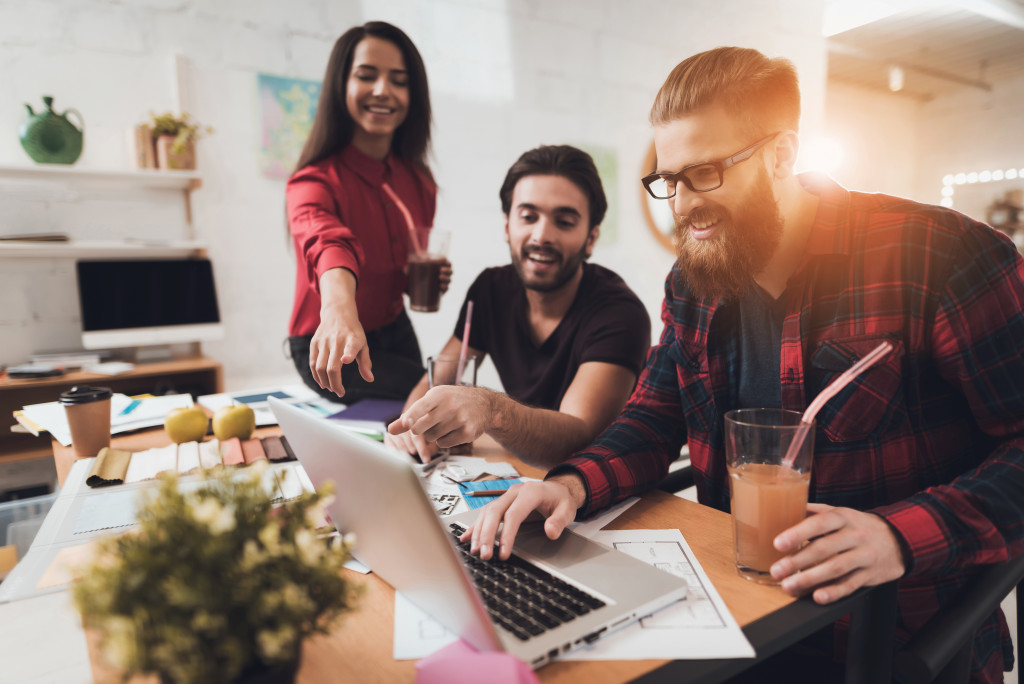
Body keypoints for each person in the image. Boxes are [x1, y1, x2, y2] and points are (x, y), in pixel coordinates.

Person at [465, 47, 1024, 683]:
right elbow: (651, 417)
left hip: (894, 634)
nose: (680, 204)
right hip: (739, 618)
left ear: (783, 154)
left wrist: (897, 536)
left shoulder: (942, 255)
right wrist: (568, 485)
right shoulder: (691, 283)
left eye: (703, 174)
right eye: (668, 180)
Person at [386, 145, 651, 468]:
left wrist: (491, 409)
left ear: (591, 238)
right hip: (522, 473)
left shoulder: (621, 314)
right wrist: (409, 428)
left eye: (564, 222)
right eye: (528, 217)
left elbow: (578, 437)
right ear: (507, 226)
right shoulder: (490, 290)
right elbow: (436, 379)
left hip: (599, 492)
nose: (541, 235)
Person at [286, 21, 451, 403]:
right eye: (366, 75)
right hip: (331, 341)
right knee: (437, 401)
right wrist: (340, 309)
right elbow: (326, 242)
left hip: (394, 328)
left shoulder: (419, 182)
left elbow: (400, 272)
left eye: (399, 80)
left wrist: (417, 279)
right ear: (341, 84)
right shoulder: (312, 182)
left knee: (440, 405)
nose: (383, 91)